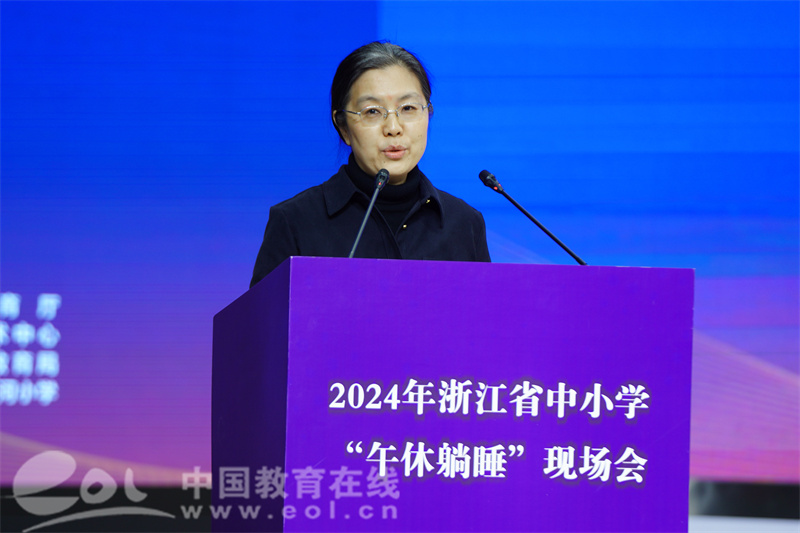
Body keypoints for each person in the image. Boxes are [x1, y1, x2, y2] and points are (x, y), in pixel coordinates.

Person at [250, 42, 491, 288]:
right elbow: (265, 314)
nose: (394, 128)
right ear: (343, 127)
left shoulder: (465, 224)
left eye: (408, 108)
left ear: (428, 114)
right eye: (372, 112)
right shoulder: (295, 222)